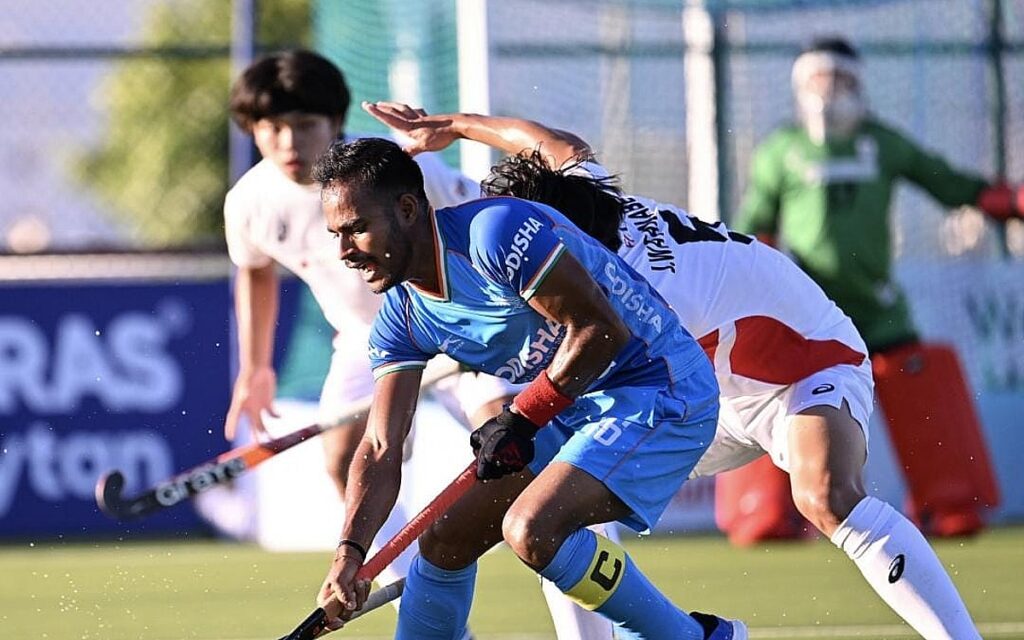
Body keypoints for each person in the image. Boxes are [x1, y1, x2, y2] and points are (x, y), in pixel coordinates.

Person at [360, 101, 982, 639]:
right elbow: (554, 144)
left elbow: (589, 347)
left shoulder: (627, 287)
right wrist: (453, 126)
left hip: (796, 365)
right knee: (549, 502)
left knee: (827, 497)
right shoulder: (580, 202)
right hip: (690, 388)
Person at [312, 137, 746, 640]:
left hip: (662, 389)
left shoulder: (493, 233)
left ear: (407, 209)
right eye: (336, 235)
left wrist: (521, 417)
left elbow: (599, 330)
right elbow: (380, 446)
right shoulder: (401, 319)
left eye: (357, 229)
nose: (344, 252)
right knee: (445, 540)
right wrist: (350, 553)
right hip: (575, 412)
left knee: (532, 528)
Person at [221, 49, 480, 593]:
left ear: (336, 121)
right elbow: (256, 271)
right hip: (371, 338)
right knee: (345, 460)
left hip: (464, 319)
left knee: (519, 444)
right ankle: (421, 604)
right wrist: (256, 368)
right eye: (272, 127)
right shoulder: (249, 202)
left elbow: (482, 221)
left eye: (304, 125)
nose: (289, 143)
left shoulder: (395, 168)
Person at [734, 36, 1017, 536]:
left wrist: (1003, 199)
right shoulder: (780, 150)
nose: (829, 92)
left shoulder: (884, 142)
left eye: (840, 80)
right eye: (819, 80)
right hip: (806, 310)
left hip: (878, 307)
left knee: (916, 384)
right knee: (776, 391)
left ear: (858, 85)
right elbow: (756, 226)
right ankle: (767, 508)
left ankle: (949, 500)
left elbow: (944, 180)